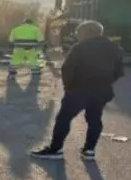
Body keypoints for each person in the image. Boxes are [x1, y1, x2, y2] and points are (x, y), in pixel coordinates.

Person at [30, 20, 124, 161]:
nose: (77, 35)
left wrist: (69, 87)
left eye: (79, 33)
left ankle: (55, 150)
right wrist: (105, 83)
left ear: (88, 33)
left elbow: (67, 69)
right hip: (102, 91)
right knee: (94, 119)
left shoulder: (80, 48)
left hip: (79, 90)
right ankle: (89, 151)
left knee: (63, 118)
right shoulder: (114, 48)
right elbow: (119, 71)